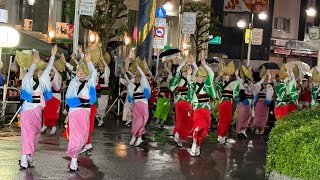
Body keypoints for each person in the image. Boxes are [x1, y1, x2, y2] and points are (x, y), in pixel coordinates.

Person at [19, 45, 58, 169]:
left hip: (37, 111)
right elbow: (30, 73)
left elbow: (48, 70)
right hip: (27, 110)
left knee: (35, 134)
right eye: (38, 69)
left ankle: (30, 156)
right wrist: (34, 65)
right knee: (27, 134)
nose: (41, 71)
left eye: (40, 69)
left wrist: (52, 56)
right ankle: (24, 158)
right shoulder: (27, 78)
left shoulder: (42, 81)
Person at [65, 50, 97, 171]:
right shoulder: (73, 82)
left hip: (85, 112)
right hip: (74, 112)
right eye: (79, 71)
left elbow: (93, 73)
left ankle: (75, 157)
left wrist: (88, 62)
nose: (81, 73)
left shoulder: (89, 82)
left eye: (83, 72)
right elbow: (69, 98)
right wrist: (67, 114)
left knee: (83, 137)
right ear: (76, 72)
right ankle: (73, 161)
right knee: (75, 137)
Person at [187, 58, 215, 156]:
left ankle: (198, 145)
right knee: (197, 127)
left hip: (206, 109)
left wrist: (205, 65)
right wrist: (190, 74)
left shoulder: (207, 85)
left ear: (204, 77)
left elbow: (211, 74)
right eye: (198, 76)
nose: (199, 78)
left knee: (204, 129)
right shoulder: (193, 85)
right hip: (197, 109)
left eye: (201, 76)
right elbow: (189, 82)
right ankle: (194, 145)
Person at [169, 54, 198, 147]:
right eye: (184, 72)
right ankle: (177, 135)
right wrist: (185, 62)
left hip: (186, 103)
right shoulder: (179, 79)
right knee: (182, 120)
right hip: (181, 103)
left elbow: (197, 71)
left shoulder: (191, 79)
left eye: (187, 72)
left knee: (185, 120)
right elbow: (177, 70)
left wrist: (192, 62)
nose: (185, 73)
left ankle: (177, 135)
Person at [125, 60, 151, 146]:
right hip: (136, 107)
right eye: (136, 77)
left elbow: (143, 76)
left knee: (141, 122)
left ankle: (139, 138)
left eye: (138, 77)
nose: (136, 78)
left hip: (143, 106)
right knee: (136, 122)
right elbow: (128, 81)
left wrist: (138, 67)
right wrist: (125, 72)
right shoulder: (132, 86)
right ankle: (134, 136)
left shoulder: (143, 85)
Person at [215, 61, 239, 144]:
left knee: (228, 120)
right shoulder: (221, 83)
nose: (224, 77)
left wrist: (237, 75)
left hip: (229, 104)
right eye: (224, 75)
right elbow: (215, 82)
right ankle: (220, 136)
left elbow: (239, 84)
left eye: (226, 75)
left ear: (230, 76)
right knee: (222, 120)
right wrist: (220, 75)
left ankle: (223, 136)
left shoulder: (234, 83)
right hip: (223, 104)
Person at [41, 64, 62, 135]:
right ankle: (44, 125)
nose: (51, 72)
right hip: (48, 96)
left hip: (56, 96)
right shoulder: (48, 78)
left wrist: (51, 63)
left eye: (52, 71)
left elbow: (58, 88)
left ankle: (54, 126)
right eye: (50, 71)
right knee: (46, 110)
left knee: (54, 112)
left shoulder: (58, 77)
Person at [252, 70, 273, 135]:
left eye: (267, 78)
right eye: (265, 78)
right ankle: (257, 128)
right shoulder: (259, 86)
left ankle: (262, 128)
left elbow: (271, 95)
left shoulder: (269, 87)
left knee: (264, 117)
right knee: (257, 117)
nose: (265, 80)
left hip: (265, 105)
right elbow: (255, 93)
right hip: (258, 105)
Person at [154, 61, 173, 127]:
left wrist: (166, 67)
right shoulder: (159, 79)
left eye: (165, 74)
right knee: (159, 108)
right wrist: (159, 72)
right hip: (160, 96)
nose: (164, 74)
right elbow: (155, 79)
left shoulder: (169, 80)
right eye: (163, 73)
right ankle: (158, 119)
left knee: (165, 109)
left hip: (167, 96)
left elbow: (170, 74)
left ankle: (162, 121)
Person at [96, 57, 111, 127]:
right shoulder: (98, 73)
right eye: (99, 66)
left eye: (101, 67)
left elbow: (107, 68)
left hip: (104, 91)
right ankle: (99, 118)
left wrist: (103, 60)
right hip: (99, 91)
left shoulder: (106, 73)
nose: (100, 68)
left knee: (103, 106)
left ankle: (101, 119)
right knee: (98, 105)